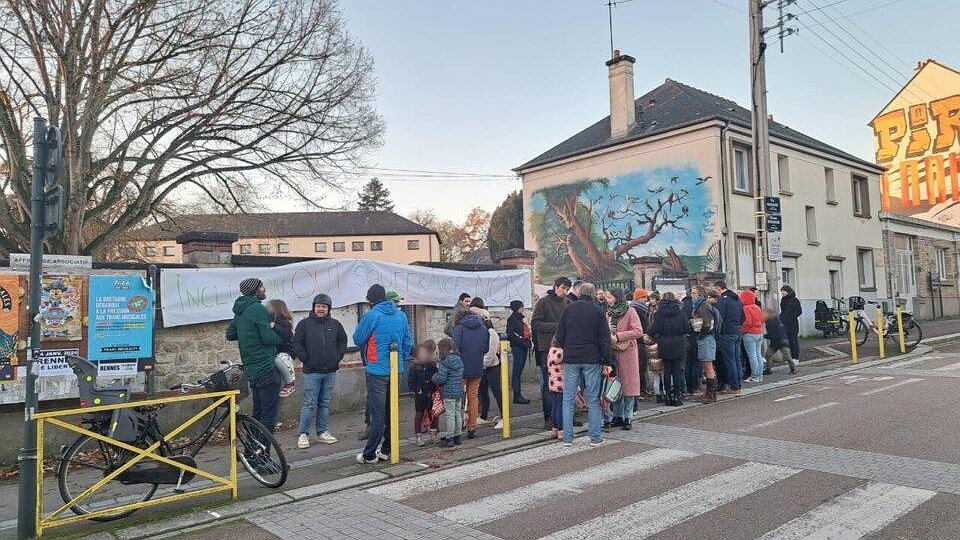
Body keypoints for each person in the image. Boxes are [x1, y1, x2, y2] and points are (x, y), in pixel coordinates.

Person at [353, 284, 413, 464]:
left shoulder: (372, 315)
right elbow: (408, 343)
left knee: (377, 414)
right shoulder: (401, 315)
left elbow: (358, 339)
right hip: (396, 370)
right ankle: (387, 450)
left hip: (376, 371)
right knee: (392, 411)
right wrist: (400, 359)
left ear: (370, 300)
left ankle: (369, 454)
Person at [554, 282, 613, 446]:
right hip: (592, 358)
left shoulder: (568, 309)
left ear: (579, 293)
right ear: (593, 294)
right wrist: (608, 361)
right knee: (593, 399)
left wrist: (568, 347)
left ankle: (567, 438)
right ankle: (595, 437)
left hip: (571, 358)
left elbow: (560, 335)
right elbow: (604, 339)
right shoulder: (598, 312)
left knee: (568, 398)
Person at [291, 294, 348, 448]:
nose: (321, 309)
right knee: (309, 403)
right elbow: (296, 343)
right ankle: (303, 434)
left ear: (328, 309)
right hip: (312, 372)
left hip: (330, 371)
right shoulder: (304, 324)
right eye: (318, 306)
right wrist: (305, 358)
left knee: (324, 403)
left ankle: (322, 432)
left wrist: (337, 357)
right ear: (314, 308)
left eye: (324, 306)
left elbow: (343, 341)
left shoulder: (335, 325)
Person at [226, 278, 282, 431]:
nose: (264, 289)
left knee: (258, 413)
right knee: (268, 416)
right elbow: (268, 338)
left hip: (252, 370)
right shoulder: (258, 309)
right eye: (262, 286)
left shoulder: (240, 310)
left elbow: (230, 334)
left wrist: (248, 334)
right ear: (256, 290)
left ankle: (252, 446)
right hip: (266, 367)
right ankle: (264, 447)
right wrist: (282, 337)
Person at [531, 277, 571, 429]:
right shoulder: (543, 302)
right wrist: (557, 326)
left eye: (567, 289)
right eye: (562, 288)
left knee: (567, 383)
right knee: (549, 384)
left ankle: (565, 416)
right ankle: (549, 417)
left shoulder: (568, 303)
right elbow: (535, 323)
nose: (564, 292)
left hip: (566, 348)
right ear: (555, 286)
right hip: (547, 347)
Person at [604, 288, 644, 430]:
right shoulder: (608, 313)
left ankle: (628, 417)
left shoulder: (630, 311)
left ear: (617, 297)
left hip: (627, 352)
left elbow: (638, 331)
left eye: (610, 297)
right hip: (613, 352)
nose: (607, 299)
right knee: (615, 384)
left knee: (629, 387)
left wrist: (618, 336)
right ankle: (617, 415)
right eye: (607, 297)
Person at [452, 300, 490, 439]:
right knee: (473, 396)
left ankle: (456, 428)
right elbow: (485, 349)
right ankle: (472, 427)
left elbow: (455, 348)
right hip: (477, 366)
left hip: (460, 368)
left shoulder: (459, 329)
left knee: (457, 397)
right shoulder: (483, 328)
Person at [647, 292, 692, 406]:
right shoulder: (681, 313)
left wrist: (657, 336)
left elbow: (652, 331)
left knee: (666, 371)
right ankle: (677, 396)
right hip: (678, 343)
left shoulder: (659, 314)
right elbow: (687, 329)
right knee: (677, 371)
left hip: (664, 343)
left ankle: (667, 396)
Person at [714, 281, 744, 396]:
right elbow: (743, 317)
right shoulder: (737, 300)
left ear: (719, 288)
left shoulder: (723, 300)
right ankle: (738, 383)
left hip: (727, 333)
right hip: (737, 331)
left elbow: (719, 318)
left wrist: (717, 331)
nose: (715, 292)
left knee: (729, 360)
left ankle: (733, 386)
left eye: (716, 289)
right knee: (737, 359)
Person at [432, 338, 464, 447]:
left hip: (449, 392)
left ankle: (450, 438)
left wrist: (433, 377)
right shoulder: (459, 359)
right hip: (458, 391)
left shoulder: (445, 361)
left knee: (450, 415)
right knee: (457, 414)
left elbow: (441, 379)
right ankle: (458, 436)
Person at [477, 310, 505, 429]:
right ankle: (483, 416)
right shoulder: (480, 332)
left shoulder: (491, 333)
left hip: (492, 366)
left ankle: (504, 417)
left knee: (497, 391)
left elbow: (491, 352)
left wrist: (480, 364)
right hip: (482, 366)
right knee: (482, 391)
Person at [407, 341, 439, 447]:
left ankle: (433, 434)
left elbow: (436, 378)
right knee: (419, 415)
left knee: (433, 414)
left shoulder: (432, 366)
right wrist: (418, 390)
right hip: (420, 396)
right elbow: (411, 382)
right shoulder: (414, 368)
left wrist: (433, 389)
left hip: (431, 394)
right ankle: (418, 436)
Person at [692, 287, 719, 403]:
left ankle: (710, 394)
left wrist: (701, 335)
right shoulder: (701, 305)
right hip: (706, 337)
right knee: (707, 365)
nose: (692, 295)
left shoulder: (703, 305)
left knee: (708, 365)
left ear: (700, 294)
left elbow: (707, 323)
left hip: (706, 337)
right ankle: (710, 393)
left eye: (694, 293)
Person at [266, 299, 296, 399]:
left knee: (279, 359)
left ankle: (290, 383)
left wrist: (275, 326)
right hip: (279, 351)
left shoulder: (283, 321)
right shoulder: (271, 319)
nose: (266, 308)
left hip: (287, 351)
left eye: (269, 306)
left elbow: (288, 334)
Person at [506, 300, 532, 404]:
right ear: (517, 308)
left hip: (523, 346)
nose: (523, 309)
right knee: (516, 372)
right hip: (518, 347)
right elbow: (511, 334)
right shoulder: (512, 319)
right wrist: (522, 341)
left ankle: (518, 395)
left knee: (519, 371)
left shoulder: (520, 319)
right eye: (522, 307)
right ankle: (517, 395)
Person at [630, 288, 653, 401]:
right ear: (638, 298)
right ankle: (640, 391)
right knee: (640, 367)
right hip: (639, 341)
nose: (646, 299)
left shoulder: (640, 309)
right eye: (644, 297)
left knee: (641, 367)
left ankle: (641, 390)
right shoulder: (637, 310)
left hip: (641, 341)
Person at [740, 288, 765, 383]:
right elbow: (762, 319)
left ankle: (754, 376)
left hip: (749, 334)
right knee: (758, 354)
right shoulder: (756, 307)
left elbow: (747, 322)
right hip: (759, 332)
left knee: (752, 356)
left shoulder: (745, 308)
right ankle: (760, 376)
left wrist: (743, 331)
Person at [681, 292, 700, 398]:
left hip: (685, 338)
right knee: (695, 363)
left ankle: (687, 386)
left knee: (687, 363)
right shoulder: (696, 306)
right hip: (696, 336)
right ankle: (694, 386)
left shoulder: (682, 307)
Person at [763, 308, 794, 374]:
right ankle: (768, 369)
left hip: (780, 341)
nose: (763, 315)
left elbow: (776, 333)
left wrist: (765, 336)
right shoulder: (769, 321)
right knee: (768, 354)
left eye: (765, 314)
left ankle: (793, 369)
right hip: (775, 341)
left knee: (787, 356)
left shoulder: (774, 321)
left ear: (769, 314)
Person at [779, 285, 802, 373]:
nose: (783, 293)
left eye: (784, 291)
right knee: (787, 342)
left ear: (788, 292)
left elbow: (799, 311)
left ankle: (795, 357)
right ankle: (789, 357)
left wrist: (790, 317)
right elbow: (783, 311)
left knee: (793, 341)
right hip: (785, 324)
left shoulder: (794, 300)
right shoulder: (783, 300)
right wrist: (781, 317)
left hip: (792, 324)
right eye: (782, 291)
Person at [546, 343, 564, 440]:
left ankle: (555, 429)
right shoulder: (561, 352)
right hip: (561, 383)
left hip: (552, 383)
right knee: (560, 407)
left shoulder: (551, 351)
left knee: (554, 405)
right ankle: (561, 430)